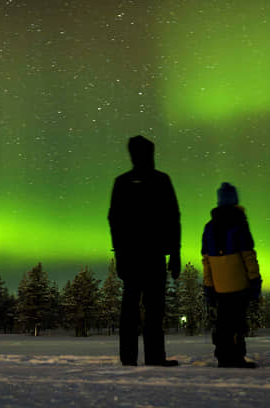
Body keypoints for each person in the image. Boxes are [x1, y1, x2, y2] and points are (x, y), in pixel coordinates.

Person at [108, 135, 181, 366]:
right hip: (150, 255)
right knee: (150, 308)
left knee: (139, 308)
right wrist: (175, 252)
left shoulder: (124, 182)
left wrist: (120, 254)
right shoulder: (160, 180)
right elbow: (173, 217)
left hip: (138, 255)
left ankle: (132, 358)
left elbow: (115, 221)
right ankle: (152, 357)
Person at [201, 182, 261, 368]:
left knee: (223, 322)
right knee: (237, 322)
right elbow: (248, 255)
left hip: (219, 284)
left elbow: (206, 260)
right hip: (239, 282)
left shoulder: (209, 227)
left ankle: (223, 355)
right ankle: (236, 357)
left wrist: (209, 285)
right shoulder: (240, 223)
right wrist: (255, 279)